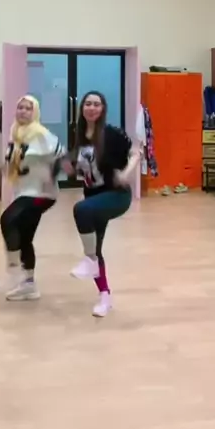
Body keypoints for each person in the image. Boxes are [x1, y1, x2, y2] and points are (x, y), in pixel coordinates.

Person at [67, 91, 139, 318]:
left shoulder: (112, 133)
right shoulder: (80, 136)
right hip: (94, 196)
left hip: (117, 194)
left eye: (96, 104)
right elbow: (81, 167)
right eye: (88, 104)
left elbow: (136, 153)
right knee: (95, 248)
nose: (92, 108)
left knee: (81, 210)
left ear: (103, 108)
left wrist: (126, 173)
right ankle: (105, 297)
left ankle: (89, 261)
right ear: (82, 109)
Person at [0, 95, 64, 301]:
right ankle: (29, 284)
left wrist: (51, 176)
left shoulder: (41, 134)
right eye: (20, 107)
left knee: (8, 219)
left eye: (28, 108)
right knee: (25, 236)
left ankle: (13, 264)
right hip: (24, 190)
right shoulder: (16, 133)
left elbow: (61, 155)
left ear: (35, 112)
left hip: (41, 194)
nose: (23, 111)